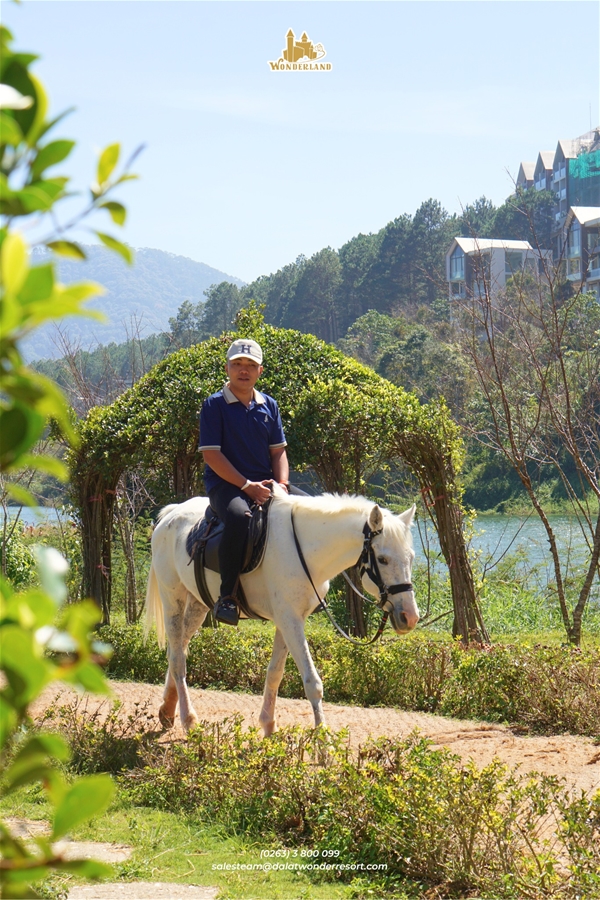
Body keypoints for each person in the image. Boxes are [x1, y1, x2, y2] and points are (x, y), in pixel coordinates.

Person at [199, 338, 290, 625]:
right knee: (239, 517)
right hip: (225, 486)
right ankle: (227, 597)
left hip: (266, 485)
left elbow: (278, 452)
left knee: (309, 510)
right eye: (237, 363)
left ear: (260, 371)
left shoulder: (269, 405)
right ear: (227, 367)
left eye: (250, 365)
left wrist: (282, 485)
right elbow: (212, 456)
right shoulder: (214, 405)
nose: (243, 370)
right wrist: (247, 486)